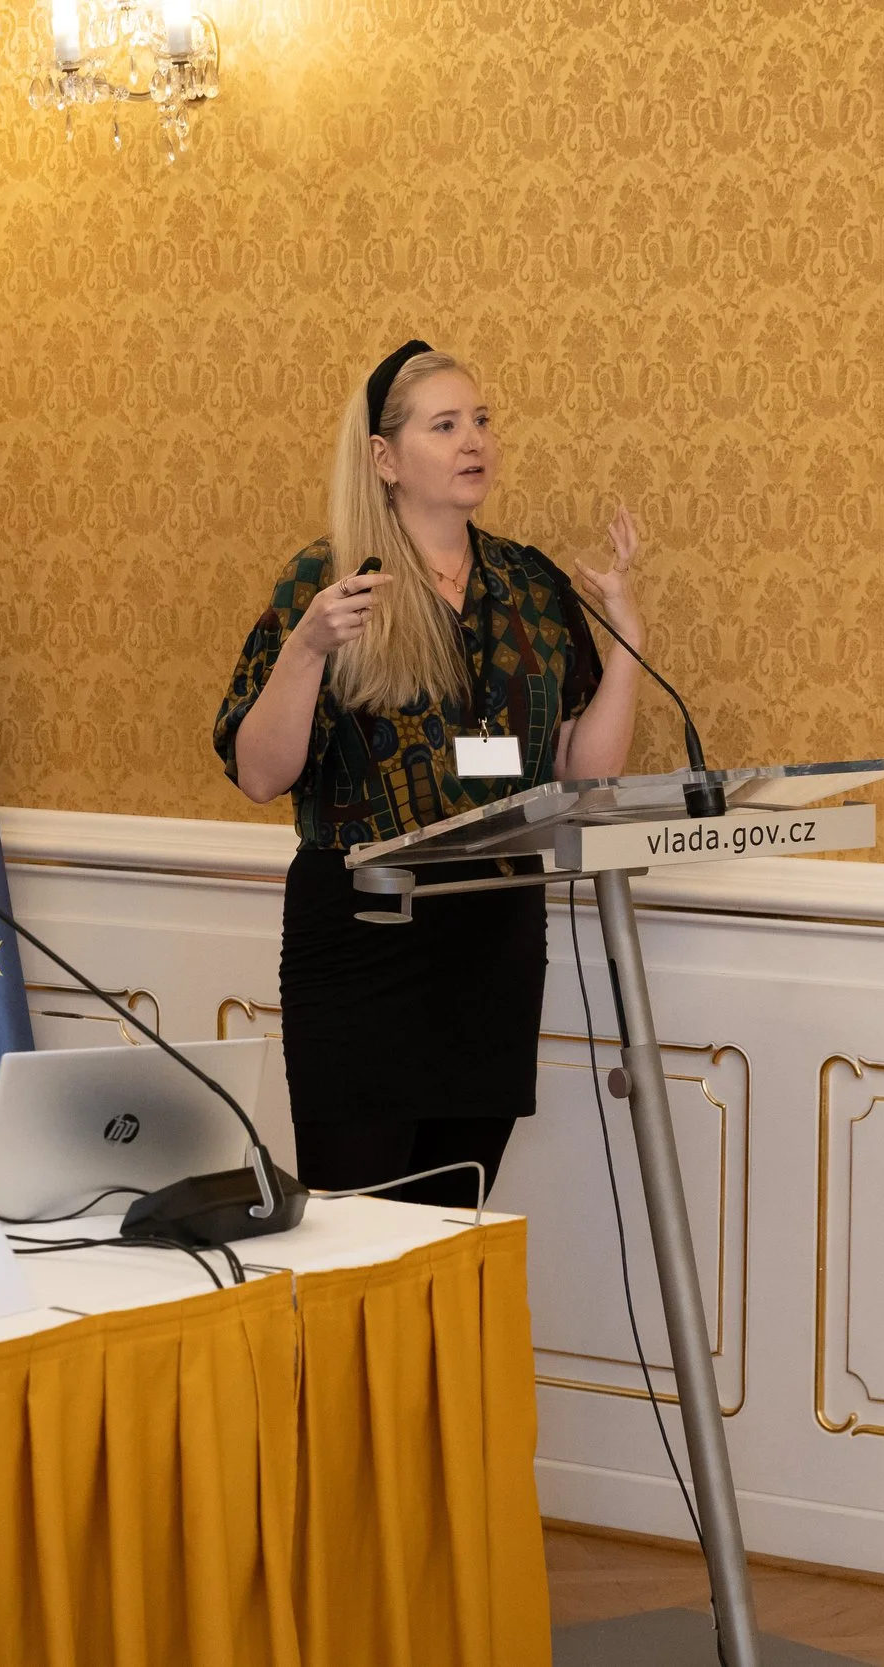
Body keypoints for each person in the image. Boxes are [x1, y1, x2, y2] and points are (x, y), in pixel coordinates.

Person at [212, 341, 645, 1207]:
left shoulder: (529, 584)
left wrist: (630, 637)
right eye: (444, 425)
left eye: (480, 420)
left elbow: (580, 768)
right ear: (385, 457)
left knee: (451, 1223)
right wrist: (306, 650)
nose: (472, 440)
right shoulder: (331, 582)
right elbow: (260, 774)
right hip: (364, 950)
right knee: (360, 1239)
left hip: (494, 945)